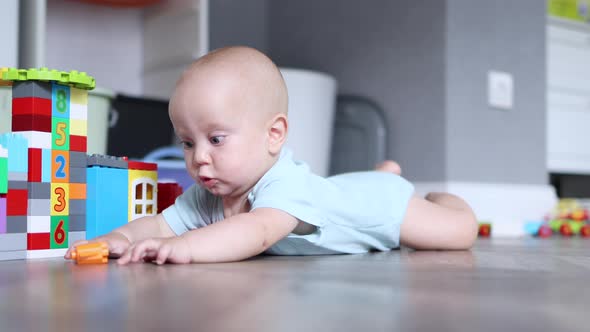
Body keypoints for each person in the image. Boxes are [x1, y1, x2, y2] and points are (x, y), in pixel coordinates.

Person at [65, 46, 478, 265]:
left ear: (274, 135)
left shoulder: (283, 186)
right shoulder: (209, 192)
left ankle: (435, 195)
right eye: (188, 143)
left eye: (217, 139)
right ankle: (380, 172)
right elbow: (161, 223)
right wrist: (118, 238)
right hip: (338, 191)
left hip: (383, 208)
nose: (199, 159)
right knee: (343, 188)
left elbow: (257, 231)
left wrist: (187, 248)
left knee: (459, 234)